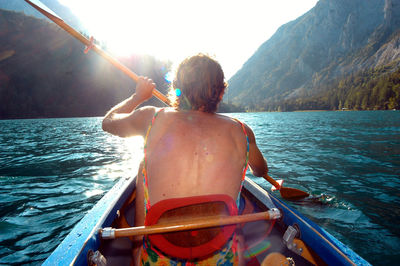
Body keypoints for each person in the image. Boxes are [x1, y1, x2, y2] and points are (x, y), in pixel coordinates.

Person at [102, 54, 269, 265]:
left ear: (176, 87)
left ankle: (138, 251)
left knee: (143, 165)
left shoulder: (150, 117)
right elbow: (261, 171)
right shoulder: (243, 131)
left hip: (158, 259)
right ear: (221, 91)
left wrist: (138, 97)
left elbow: (107, 122)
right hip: (221, 257)